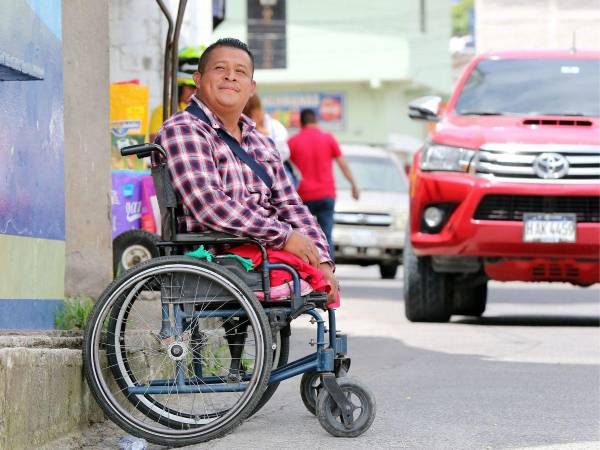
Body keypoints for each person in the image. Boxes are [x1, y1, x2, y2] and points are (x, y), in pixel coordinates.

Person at [155, 38, 339, 305]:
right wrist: (284, 237)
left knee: (318, 280)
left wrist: (321, 259)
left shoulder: (261, 142)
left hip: (263, 251)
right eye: (220, 68)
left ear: (251, 88)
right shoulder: (183, 129)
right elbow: (209, 205)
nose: (231, 76)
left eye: (240, 71)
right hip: (215, 255)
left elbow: (291, 205)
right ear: (198, 79)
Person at [288, 108, 359, 259]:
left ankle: (307, 272)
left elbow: (284, 170)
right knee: (326, 236)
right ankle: (329, 274)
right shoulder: (328, 138)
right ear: (316, 120)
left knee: (303, 236)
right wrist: (354, 185)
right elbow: (343, 164)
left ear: (301, 122)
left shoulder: (293, 142)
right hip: (326, 195)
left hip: (303, 196)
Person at [243, 94, 301, 188]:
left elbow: (281, 153)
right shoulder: (240, 129)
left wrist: (264, 136)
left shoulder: (274, 127)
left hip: (277, 175)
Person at [149, 45, 206, 142]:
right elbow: (156, 147)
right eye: (191, 87)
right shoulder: (162, 111)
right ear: (179, 87)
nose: (195, 91)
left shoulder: (211, 111)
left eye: (199, 88)